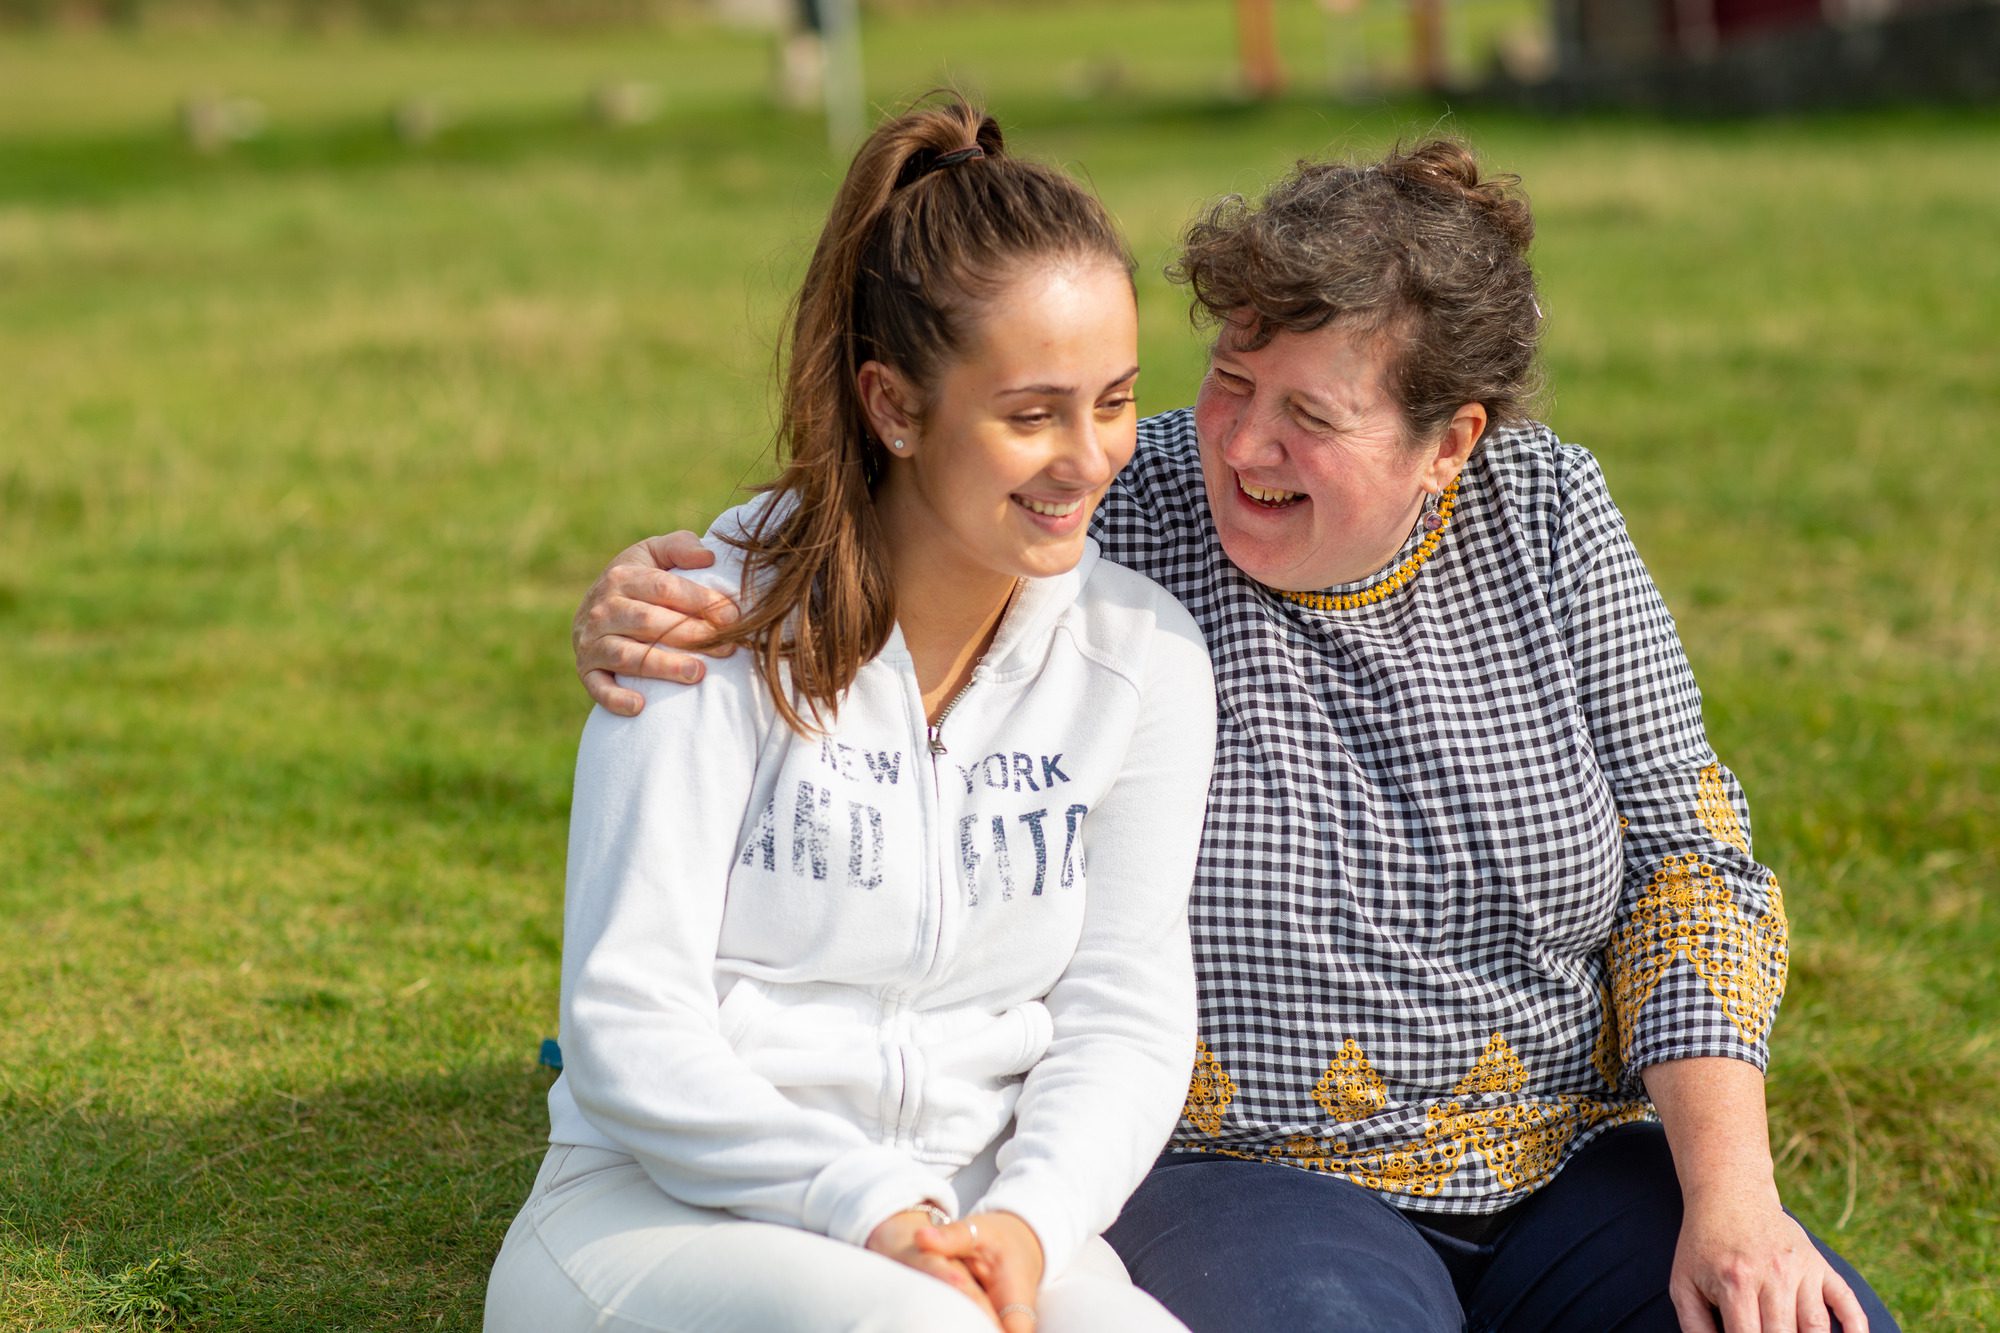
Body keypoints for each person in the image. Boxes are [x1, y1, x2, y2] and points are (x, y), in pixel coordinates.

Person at [570, 135, 1903, 1333]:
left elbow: (1689, 861)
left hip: (1562, 1165)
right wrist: (676, 586)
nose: (1241, 445)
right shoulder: (1112, 502)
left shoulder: (1545, 517)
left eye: (1311, 418)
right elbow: (908, 493)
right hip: (1252, 1181)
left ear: (1452, 445)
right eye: (1229, 379)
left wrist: (1731, 1203)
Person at [487, 96, 1215, 1333]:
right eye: (1031, 414)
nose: (1090, 457)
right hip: (660, 1217)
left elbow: (1125, 1011)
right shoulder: (702, 630)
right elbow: (626, 1021)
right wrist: (868, 1203)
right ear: (891, 406)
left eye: (1113, 400)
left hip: (978, 1217)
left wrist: (1028, 1222)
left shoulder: (1142, 660)